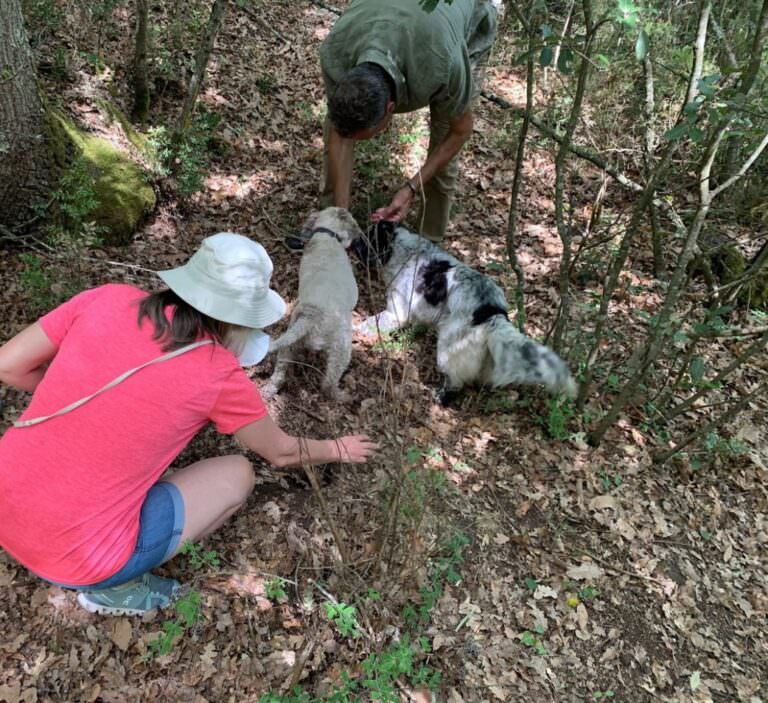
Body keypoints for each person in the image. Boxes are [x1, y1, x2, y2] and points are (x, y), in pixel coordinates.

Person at [0, 233, 378, 616]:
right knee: (239, 473)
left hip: (5, 503)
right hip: (82, 560)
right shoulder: (218, 372)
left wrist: (76, 395)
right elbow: (280, 453)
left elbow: (8, 365)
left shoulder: (107, 297)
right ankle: (113, 591)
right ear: (238, 319)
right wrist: (338, 448)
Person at [320, 0, 498, 242]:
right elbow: (340, 133)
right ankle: (333, 221)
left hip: (465, 22)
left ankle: (428, 241)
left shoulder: (443, 66)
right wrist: (343, 217)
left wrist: (411, 188)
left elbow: (460, 131)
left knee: (444, 135)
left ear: (390, 109)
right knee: (339, 126)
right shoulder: (336, 53)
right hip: (396, 23)